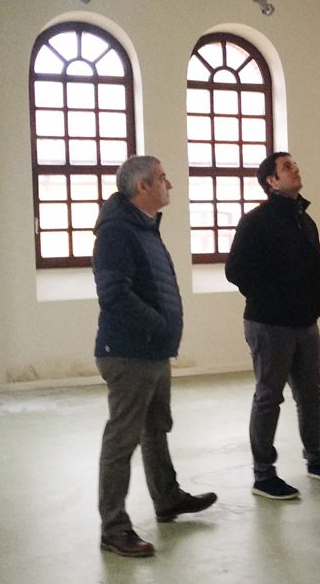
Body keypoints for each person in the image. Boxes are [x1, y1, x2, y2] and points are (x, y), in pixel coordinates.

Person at [92, 155, 217, 558]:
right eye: (163, 178)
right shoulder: (117, 231)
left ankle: (166, 498)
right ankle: (113, 528)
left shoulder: (144, 227)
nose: (170, 184)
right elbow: (114, 293)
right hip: (129, 352)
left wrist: (161, 333)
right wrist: (159, 325)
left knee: (155, 427)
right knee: (122, 438)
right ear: (142, 186)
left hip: (150, 350)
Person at [225, 152, 320, 500]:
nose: (296, 169)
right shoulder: (256, 222)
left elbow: (317, 267)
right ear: (271, 182)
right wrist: (271, 298)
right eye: (287, 166)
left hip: (305, 323)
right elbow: (236, 270)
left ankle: (315, 458)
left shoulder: (305, 221)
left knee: (311, 394)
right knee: (268, 397)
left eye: (295, 164)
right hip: (268, 323)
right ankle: (263, 474)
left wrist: (318, 302)